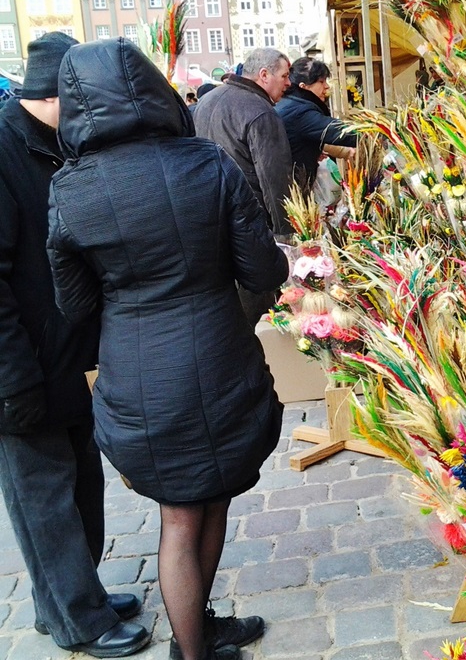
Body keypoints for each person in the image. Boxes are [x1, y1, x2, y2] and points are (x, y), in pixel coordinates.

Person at [48, 39, 288, 660]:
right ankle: (193, 646)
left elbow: (74, 305)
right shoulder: (206, 165)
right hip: (220, 357)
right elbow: (261, 268)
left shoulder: (71, 191)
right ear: (156, 89)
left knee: (181, 513)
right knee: (205, 504)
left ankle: (196, 639)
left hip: (139, 371)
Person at [0, 32, 151, 658]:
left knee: (81, 478)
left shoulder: (55, 144)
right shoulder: (5, 151)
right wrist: (13, 378)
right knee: (44, 497)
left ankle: (67, 596)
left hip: (61, 352)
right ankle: (78, 621)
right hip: (17, 363)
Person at [192, 47, 292, 325]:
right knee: (258, 318)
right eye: (284, 75)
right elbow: (275, 181)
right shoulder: (260, 112)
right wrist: (286, 235)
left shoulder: (207, 101)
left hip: (210, 226)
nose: (288, 83)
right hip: (251, 228)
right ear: (264, 75)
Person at [275, 56, 357, 194]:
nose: (326, 86)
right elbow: (337, 131)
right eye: (321, 81)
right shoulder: (300, 112)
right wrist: (380, 130)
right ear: (304, 86)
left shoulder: (292, 103)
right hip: (291, 190)